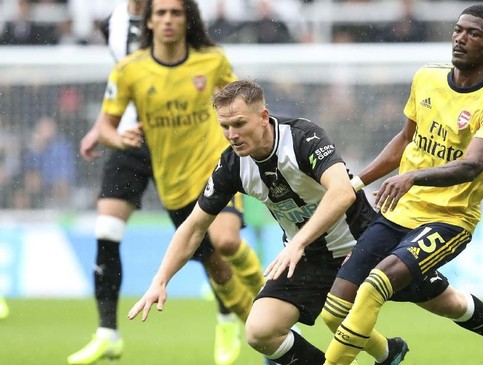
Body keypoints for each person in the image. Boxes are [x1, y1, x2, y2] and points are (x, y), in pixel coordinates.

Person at [322, 4, 483, 365]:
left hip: (449, 219)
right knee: (334, 310)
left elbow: (471, 166)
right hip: (400, 211)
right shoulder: (427, 78)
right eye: (457, 30)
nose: (460, 39)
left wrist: (412, 176)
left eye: (473, 34)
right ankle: (398, 354)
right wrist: (355, 183)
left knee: (375, 285)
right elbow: (405, 140)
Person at [127, 80, 408, 365]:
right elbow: (194, 227)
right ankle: (385, 354)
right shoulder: (233, 165)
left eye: (238, 123)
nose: (232, 135)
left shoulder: (302, 137)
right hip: (307, 257)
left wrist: (297, 242)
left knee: (450, 304)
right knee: (260, 332)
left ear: (263, 117)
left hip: (361, 245)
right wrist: (160, 280)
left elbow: (342, 191)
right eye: (225, 127)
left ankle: (389, 351)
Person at [73, 1, 265, 365]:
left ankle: (274, 305)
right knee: (217, 269)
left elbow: (239, 106)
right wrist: (120, 140)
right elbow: (106, 128)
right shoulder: (131, 70)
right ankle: (261, 332)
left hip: (214, 170)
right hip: (173, 185)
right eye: (160, 13)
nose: (167, 20)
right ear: (148, 21)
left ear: (187, 18)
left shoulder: (211, 61)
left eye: (175, 13)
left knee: (226, 240)